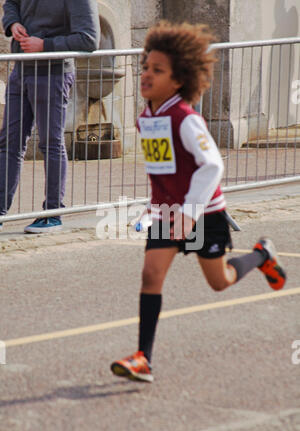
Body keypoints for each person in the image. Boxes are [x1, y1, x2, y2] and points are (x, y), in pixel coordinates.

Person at [110, 21, 287, 383]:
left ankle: (262, 255)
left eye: (157, 70)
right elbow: (162, 170)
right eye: (145, 67)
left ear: (178, 81)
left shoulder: (185, 118)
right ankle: (143, 357)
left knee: (219, 281)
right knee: (150, 275)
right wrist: (155, 205)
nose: (146, 74)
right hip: (167, 214)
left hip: (203, 214)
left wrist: (190, 213)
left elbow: (213, 165)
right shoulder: (147, 117)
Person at [0, 0, 100, 233]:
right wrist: (12, 23)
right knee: (8, 143)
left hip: (53, 74)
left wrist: (45, 45)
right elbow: (12, 2)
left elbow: (89, 39)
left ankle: (52, 214)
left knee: (51, 144)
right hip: (21, 70)